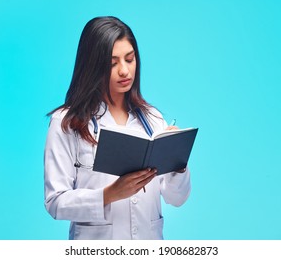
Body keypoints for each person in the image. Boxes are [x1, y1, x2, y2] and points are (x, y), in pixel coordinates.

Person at [44, 16, 191, 240]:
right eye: (113, 63)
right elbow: (56, 202)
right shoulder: (67, 123)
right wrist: (109, 194)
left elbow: (177, 198)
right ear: (93, 66)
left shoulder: (152, 119)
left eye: (130, 59)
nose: (124, 71)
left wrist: (177, 163)